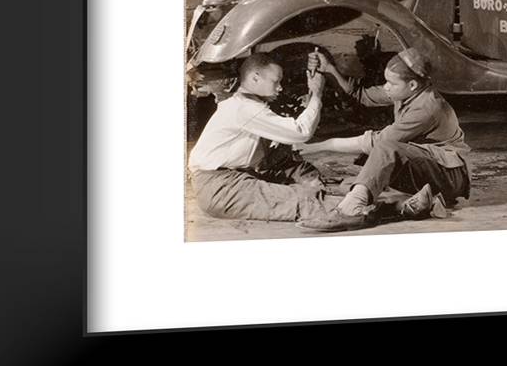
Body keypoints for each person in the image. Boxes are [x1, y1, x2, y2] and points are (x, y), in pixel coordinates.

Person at [187, 53, 370, 232]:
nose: (280, 87)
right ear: (255, 78)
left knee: (301, 174)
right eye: (275, 81)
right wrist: (316, 94)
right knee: (301, 199)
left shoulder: (244, 103)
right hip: (220, 188)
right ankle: (368, 208)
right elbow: (301, 132)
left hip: (228, 178)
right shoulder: (245, 108)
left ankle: (351, 197)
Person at [307, 46, 471, 224]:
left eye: (391, 83)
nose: (386, 87)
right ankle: (419, 203)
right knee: (353, 184)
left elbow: (380, 142)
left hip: (450, 176)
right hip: (428, 168)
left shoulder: (428, 107)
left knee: (383, 151)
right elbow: (360, 95)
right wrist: (329, 69)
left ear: (412, 85)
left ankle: (349, 212)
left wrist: (318, 146)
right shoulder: (407, 92)